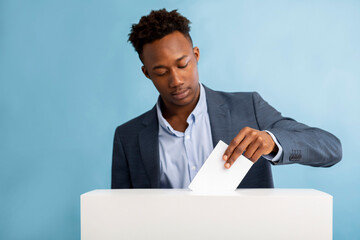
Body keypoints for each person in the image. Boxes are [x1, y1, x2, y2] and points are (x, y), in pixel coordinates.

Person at [111, 9, 342, 189]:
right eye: (161, 72)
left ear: (196, 55)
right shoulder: (128, 137)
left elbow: (331, 148)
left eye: (183, 65)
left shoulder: (248, 108)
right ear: (146, 73)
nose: (176, 80)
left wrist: (271, 142)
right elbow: (120, 214)